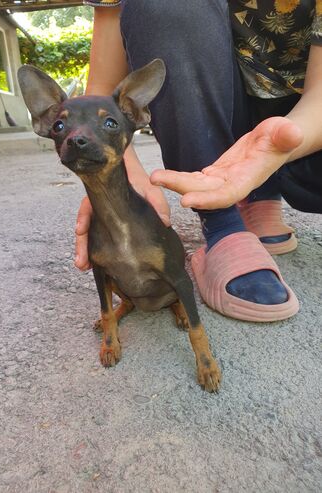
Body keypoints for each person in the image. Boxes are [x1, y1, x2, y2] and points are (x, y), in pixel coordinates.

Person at [76, 0, 322, 321]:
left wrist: (277, 147)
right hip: (214, 104)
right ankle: (224, 223)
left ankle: (263, 191)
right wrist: (114, 172)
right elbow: (101, 87)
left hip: (303, 124)